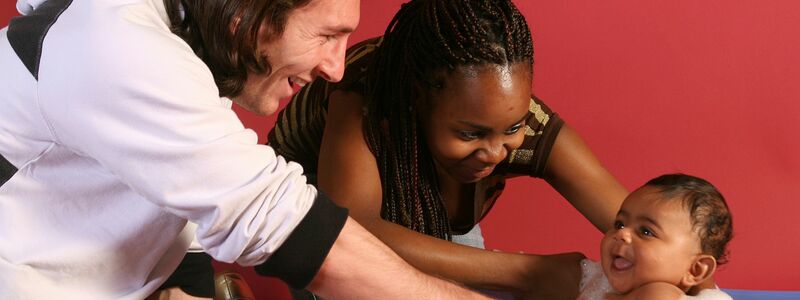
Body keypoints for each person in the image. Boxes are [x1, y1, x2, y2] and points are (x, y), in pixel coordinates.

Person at [0, 0, 489, 299]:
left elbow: (181, 215)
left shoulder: (182, 48)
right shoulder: (115, 49)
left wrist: (188, 291)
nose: (336, 68)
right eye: (326, 36)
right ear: (246, 16)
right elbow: (277, 222)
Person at [268, 0, 628, 298]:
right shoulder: (363, 96)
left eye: (512, 127)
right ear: (417, 100)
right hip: (316, 198)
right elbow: (353, 229)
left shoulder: (523, 125)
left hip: (422, 210)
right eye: (471, 134)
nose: (495, 152)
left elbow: (650, 227)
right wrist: (527, 272)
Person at [577, 173, 734, 300]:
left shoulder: (659, 294)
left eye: (646, 231)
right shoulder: (600, 282)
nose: (621, 233)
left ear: (695, 270)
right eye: (620, 224)